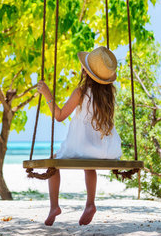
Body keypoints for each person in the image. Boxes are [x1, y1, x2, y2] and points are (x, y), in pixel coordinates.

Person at [36, 46, 122, 226]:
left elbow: (59, 116)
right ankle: (90, 203)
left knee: (53, 162)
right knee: (89, 164)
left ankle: (54, 207)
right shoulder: (108, 95)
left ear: (86, 71)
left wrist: (47, 95)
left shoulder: (80, 92)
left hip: (83, 147)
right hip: (106, 150)